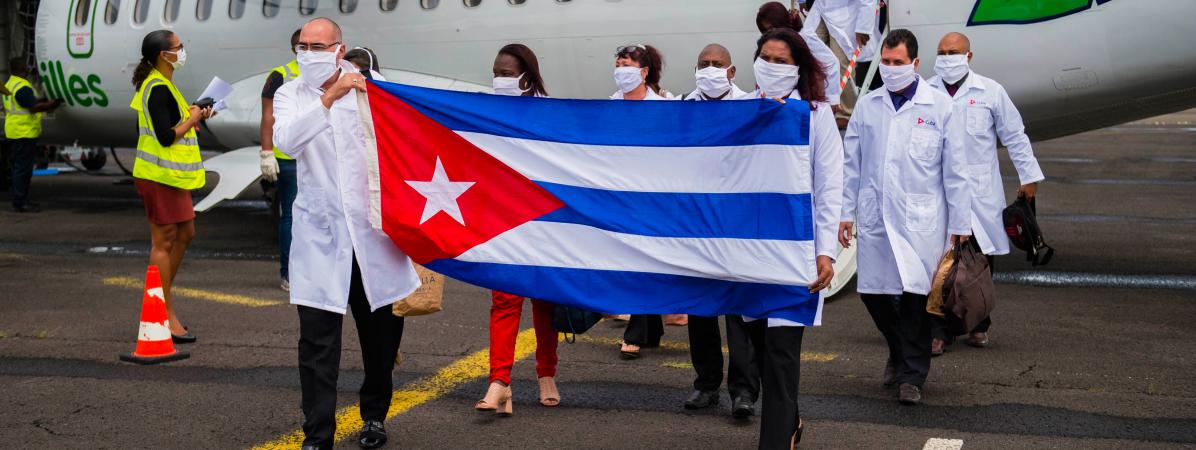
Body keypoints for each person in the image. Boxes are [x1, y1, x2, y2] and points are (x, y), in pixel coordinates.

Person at [272, 17, 420, 450]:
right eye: (303, 46)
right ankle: (318, 435)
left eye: (319, 47)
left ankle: (374, 416)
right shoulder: (289, 94)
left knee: (380, 342)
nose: (309, 54)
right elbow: (286, 142)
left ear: (340, 48)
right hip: (320, 239)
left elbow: (408, 143)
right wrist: (329, 99)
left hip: (373, 238)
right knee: (316, 345)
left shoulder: (373, 93)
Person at [839, 29, 971, 406]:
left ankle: (912, 375)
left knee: (916, 298)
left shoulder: (940, 108)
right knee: (873, 294)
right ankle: (899, 350)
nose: (891, 69)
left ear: (915, 64)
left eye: (898, 63)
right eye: (886, 62)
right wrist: (846, 212)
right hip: (877, 217)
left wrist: (960, 226)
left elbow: (955, 171)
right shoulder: (868, 105)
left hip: (923, 220)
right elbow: (852, 165)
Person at [743, 27, 843, 449]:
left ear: (798, 68)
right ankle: (791, 420)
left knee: (782, 352)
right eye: (765, 57)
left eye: (781, 61)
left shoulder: (816, 115)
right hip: (745, 251)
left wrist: (825, 252)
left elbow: (830, 187)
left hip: (794, 253)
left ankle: (777, 439)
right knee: (760, 350)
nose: (771, 66)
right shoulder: (740, 109)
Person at [926, 32, 1044, 354]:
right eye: (942, 52)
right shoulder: (926, 92)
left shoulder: (990, 92)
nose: (947, 57)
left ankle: (979, 323)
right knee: (942, 262)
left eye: (954, 52)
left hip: (981, 193)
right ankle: (941, 331)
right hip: (940, 192)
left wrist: (1029, 177)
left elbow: (1015, 135)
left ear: (969, 56)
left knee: (979, 262)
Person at [473, 44, 561, 416]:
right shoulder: (484, 113)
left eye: (507, 74)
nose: (500, 80)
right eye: (496, 72)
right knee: (504, 302)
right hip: (503, 222)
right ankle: (499, 382)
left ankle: (546, 375)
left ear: (527, 76)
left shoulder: (549, 114)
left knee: (544, 305)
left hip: (544, 222)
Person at [676, 43, 760, 418]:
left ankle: (744, 391)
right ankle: (706, 384)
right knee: (701, 310)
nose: (709, 69)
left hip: (738, 224)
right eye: (703, 64)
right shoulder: (682, 109)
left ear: (732, 71)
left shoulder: (752, 107)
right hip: (696, 225)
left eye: (717, 64)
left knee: (740, 311)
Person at [128, 30, 212, 343]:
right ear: (164, 54)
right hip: (158, 176)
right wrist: (191, 118)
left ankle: (159, 298)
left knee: (186, 232)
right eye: (179, 46)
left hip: (170, 175)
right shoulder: (157, 87)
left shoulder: (162, 85)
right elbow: (165, 136)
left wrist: (194, 115)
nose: (183, 50)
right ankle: (162, 310)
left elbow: (166, 127)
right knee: (164, 240)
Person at [610, 44, 668, 359]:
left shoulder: (663, 108)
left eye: (628, 64)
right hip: (622, 195)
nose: (621, 70)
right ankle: (647, 327)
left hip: (652, 195)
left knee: (645, 260)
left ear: (644, 72)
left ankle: (639, 329)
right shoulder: (608, 107)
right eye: (618, 64)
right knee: (632, 260)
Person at [260, 29, 302, 292]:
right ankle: (288, 273)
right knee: (292, 216)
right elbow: (268, 116)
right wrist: (266, 152)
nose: (308, 51)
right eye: (302, 46)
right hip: (289, 158)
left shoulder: (333, 73)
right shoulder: (280, 75)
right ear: (293, 47)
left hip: (321, 156)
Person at [755, 2, 842, 110]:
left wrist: (832, 100)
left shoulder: (804, 38)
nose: (768, 35)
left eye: (781, 61)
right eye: (764, 32)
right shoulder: (767, 45)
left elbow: (831, 62)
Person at [801, 0, 881, 118]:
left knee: (840, 62)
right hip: (820, 7)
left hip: (846, 14)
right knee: (808, 51)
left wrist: (863, 27)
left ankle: (846, 114)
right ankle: (817, 104)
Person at [4, 57, 63, 212]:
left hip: (14, 131)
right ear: (22, 69)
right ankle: (20, 202)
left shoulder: (10, 84)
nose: (29, 69)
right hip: (23, 132)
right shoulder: (22, 87)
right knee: (23, 169)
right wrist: (53, 104)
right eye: (26, 67)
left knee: (19, 167)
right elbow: (34, 107)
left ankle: (21, 199)